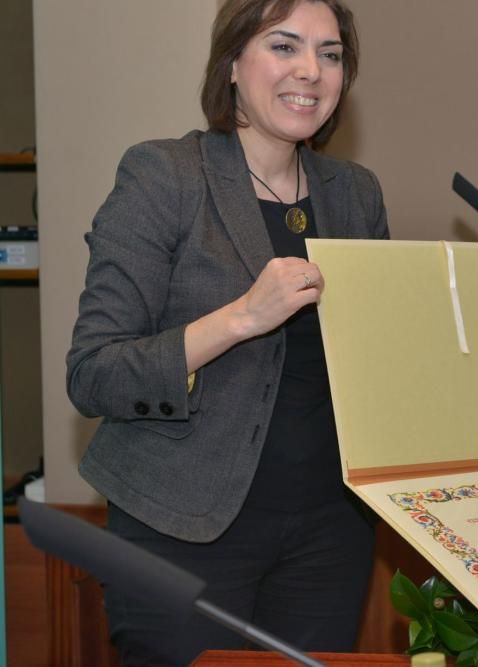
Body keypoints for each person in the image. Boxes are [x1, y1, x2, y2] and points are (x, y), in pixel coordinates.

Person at [66, 1, 387, 664]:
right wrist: (242, 315)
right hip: (178, 529)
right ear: (232, 63)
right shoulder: (163, 176)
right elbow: (94, 371)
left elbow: (374, 362)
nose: (311, 70)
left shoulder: (355, 192)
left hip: (330, 533)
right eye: (284, 46)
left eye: (330, 54)